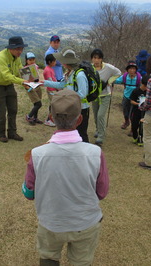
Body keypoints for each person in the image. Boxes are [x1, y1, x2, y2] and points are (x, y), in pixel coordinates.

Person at [22, 89, 109, 265]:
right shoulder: (95, 153)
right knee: (81, 261)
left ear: (51, 118)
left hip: (51, 222)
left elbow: (29, 193)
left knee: (48, 257)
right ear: (79, 119)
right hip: (85, 223)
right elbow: (101, 192)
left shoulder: (37, 154)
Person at [43, 48, 90, 143]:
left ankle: (86, 154)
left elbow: (83, 93)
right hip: (72, 107)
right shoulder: (69, 73)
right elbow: (61, 85)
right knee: (73, 133)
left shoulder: (79, 75)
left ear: (66, 62)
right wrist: (44, 82)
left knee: (82, 134)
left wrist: (67, 98)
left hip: (82, 109)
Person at [0, 36, 30, 143]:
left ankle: (12, 132)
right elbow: (6, 75)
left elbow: (20, 71)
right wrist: (22, 82)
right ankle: (1, 134)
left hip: (9, 85)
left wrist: (29, 81)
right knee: (1, 112)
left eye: (21, 48)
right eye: (18, 49)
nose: (20, 51)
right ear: (10, 48)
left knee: (13, 109)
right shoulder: (1, 57)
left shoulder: (16, 57)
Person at [90, 48, 121, 146]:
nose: (96, 60)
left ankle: (100, 136)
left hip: (105, 95)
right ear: (92, 59)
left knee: (100, 115)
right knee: (95, 115)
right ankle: (98, 130)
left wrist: (109, 81)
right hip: (94, 95)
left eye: (98, 58)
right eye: (94, 58)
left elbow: (118, 73)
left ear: (101, 59)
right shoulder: (90, 68)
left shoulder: (108, 67)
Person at [114, 61, 142, 130]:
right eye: (130, 68)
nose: (132, 70)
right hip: (126, 97)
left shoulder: (139, 78)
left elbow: (143, 85)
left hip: (135, 98)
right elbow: (116, 80)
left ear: (136, 70)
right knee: (125, 112)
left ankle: (133, 129)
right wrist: (110, 80)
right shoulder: (124, 77)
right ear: (127, 69)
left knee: (133, 115)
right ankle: (126, 121)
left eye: (133, 69)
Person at [24, 52, 43, 125]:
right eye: (30, 59)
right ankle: (29, 116)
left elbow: (37, 76)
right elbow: (25, 81)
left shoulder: (36, 66)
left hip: (37, 86)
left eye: (33, 59)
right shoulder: (25, 69)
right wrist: (27, 87)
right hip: (30, 88)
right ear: (26, 60)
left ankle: (35, 118)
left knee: (36, 103)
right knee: (38, 104)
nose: (32, 61)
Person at [130, 74, 149, 146]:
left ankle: (140, 139)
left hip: (144, 112)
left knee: (143, 126)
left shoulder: (149, 92)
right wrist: (138, 104)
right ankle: (135, 137)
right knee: (134, 126)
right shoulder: (136, 91)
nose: (146, 88)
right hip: (136, 111)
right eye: (145, 86)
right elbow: (131, 101)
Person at [43, 54, 57, 127]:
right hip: (51, 90)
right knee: (53, 105)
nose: (55, 62)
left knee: (52, 104)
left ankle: (51, 119)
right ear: (50, 62)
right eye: (54, 61)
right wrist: (57, 88)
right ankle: (49, 120)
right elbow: (50, 81)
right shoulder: (48, 70)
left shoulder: (50, 69)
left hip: (53, 89)